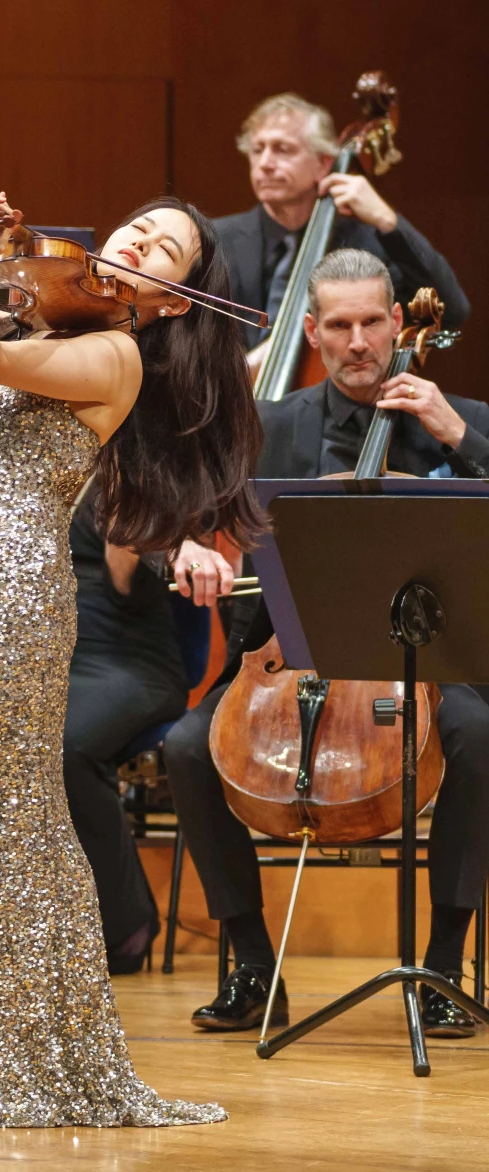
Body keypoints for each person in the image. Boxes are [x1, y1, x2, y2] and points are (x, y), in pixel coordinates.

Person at [0, 164, 262, 1125]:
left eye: (163, 249)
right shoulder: (33, 328)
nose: (135, 242)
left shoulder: (118, 359)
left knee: (9, 824)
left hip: (10, 597)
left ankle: (25, 1060)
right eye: (136, 227)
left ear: (173, 301)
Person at [164, 248, 489, 1040]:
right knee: (186, 747)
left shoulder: (460, 420)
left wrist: (456, 435)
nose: (359, 341)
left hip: (433, 663)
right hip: (292, 653)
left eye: (373, 321)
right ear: (311, 331)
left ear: (398, 323)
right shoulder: (268, 425)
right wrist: (188, 547)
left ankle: (442, 967)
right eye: (339, 325)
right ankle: (253, 966)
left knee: (478, 738)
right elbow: (183, 515)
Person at [0, 486, 188, 976]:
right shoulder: (23, 472)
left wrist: (128, 542)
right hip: (33, 651)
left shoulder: (133, 465)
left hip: (119, 652)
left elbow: (134, 579)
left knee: (61, 747)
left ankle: (123, 926)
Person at [218, 93, 469, 365]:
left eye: (283, 149)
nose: (265, 163)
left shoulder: (366, 244)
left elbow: (451, 311)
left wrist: (388, 221)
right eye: (257, 150)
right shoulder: (214, 240)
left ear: (324, 163)